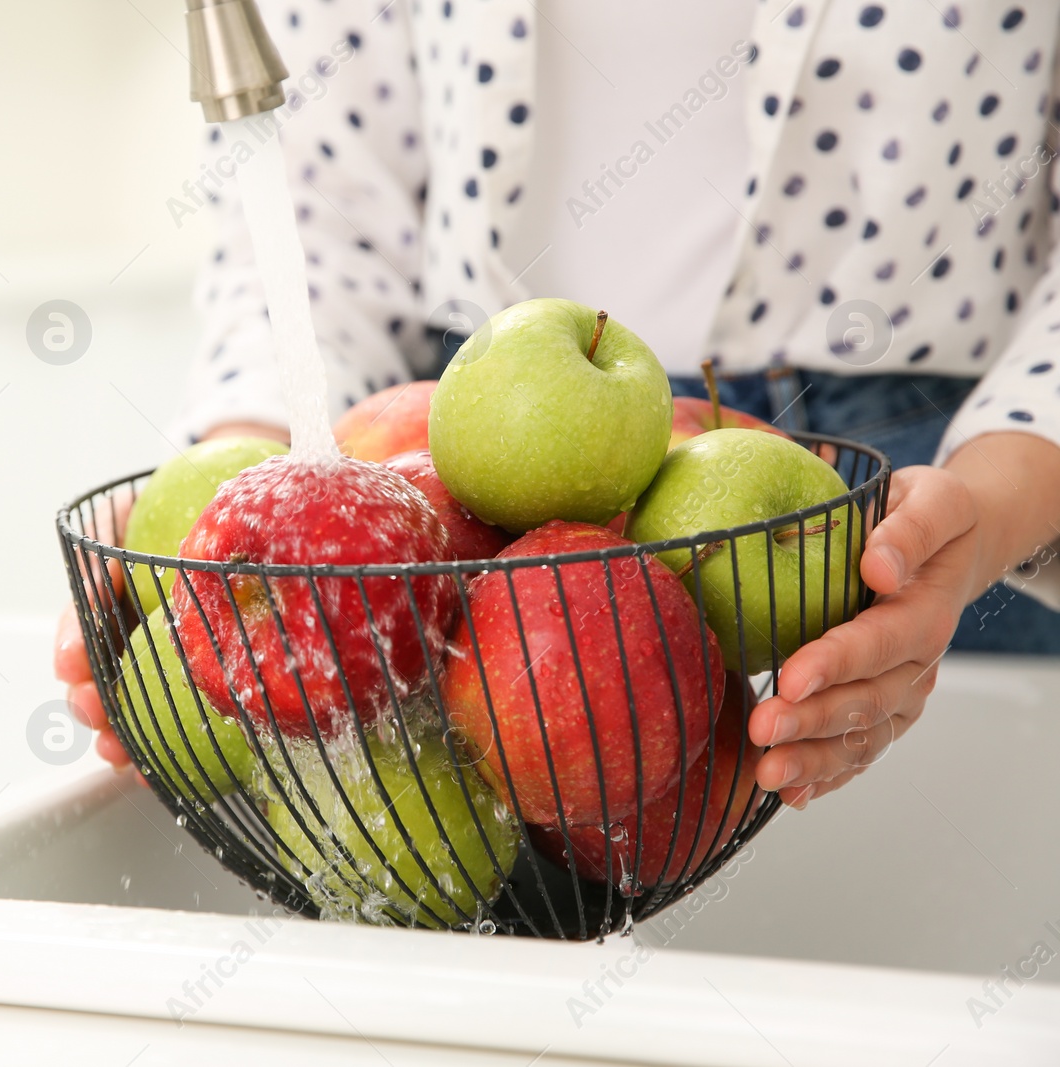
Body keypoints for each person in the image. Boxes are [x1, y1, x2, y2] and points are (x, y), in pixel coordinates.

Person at [56, 0, 1060, 809]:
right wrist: (252, 497)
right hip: (457, 505)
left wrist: (978, 522)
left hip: (935, 509)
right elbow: (318, 210)